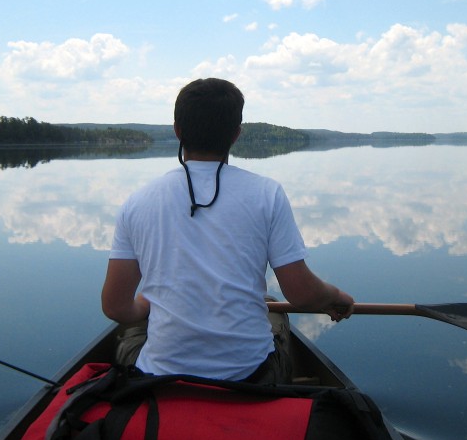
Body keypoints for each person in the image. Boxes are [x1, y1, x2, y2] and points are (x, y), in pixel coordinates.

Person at [101, 78, 354, 383]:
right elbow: (301, 294)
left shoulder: (137, 202)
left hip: (159, 378)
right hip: (251, 376)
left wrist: (145, 305)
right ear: (236, 134)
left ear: (177, 130)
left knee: (135, 326)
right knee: (272, 307)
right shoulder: (267, 193)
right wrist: (335, 295)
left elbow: (115, 306)